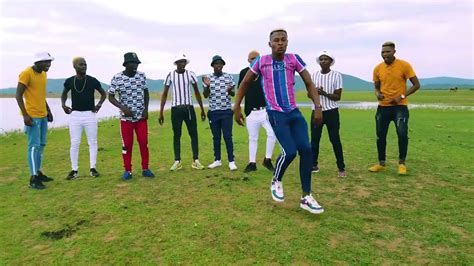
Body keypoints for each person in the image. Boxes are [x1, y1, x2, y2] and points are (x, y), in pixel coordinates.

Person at [234, 29, 325, 214]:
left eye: (284, 40)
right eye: (276, 40)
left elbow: (309, 83)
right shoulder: (261, 61)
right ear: (270, 44)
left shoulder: (294, 59)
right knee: (290, 152)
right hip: (276, 114)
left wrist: (317, 107)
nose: (280, 43)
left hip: (294, 112)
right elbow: (244, 83)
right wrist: (236, 106)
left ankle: (306, 196)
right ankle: (276, 180)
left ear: (287, 42)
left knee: (307, 150)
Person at [369, 41, 420, 175]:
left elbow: (416, 85)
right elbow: (376, 86)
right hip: (383, 107)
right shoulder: (377, 68)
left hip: (400, 107)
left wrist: (401, 96)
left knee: (402, 134)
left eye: (387, 51)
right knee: (380, 136)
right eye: (383, 52)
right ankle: (381, 163)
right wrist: (378, 94)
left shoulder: (404, 65)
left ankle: (402, 164)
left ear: (394, 52)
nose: (385, 54)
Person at [108, 52, 155, 180]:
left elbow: (146, 93)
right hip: (126, 119)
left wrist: (146, 109)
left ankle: (145, 168)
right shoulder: (117, 78)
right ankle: (127, 170)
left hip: (141, 118)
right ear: (126, 64)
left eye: (137, 63)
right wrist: (123, 108)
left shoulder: (141, 76)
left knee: (143, 143)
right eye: (132, 63)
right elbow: (110, 97)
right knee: (127, 145)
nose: (135, 65)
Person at [159, 53, 206, 171]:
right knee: (177, 135)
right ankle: (177, 161)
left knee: (193, 134)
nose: (182, 64)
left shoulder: (191, 74)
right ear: (176, 63)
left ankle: (195, 160)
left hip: (188, 108)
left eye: (184, 61)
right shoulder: (170, 75)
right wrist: (161, 112)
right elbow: (164, 94)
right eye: (180, 62)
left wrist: (201, 109)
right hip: (176, 109)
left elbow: (196, 92)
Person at [61, 57, 106, 180]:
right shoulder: (70, 81)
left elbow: (103, 94)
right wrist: (63, 105)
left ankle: (93, 168)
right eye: (81, 65)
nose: (84, 66)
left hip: (89, 115)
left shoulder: (92, 80)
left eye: (85, 64)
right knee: (74, 143)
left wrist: (98, 105)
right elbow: (64, 94)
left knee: (92, 142)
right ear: (74, 66)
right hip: (75, 116)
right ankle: (74, 170)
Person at [15, 52, 55, 189]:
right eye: (46, 62)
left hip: (43, 115)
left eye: (50, 62)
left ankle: (38, 172)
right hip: (32, 116)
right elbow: (18, 95)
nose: (49, 65)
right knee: (33, 147)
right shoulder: (26, 73)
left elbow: (40, 95)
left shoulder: (43, 74)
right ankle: (33, 178)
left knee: (41, 145)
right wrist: (25, 115)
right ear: (38, 62)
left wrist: (48, 110)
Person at [238, 50, 276, 173]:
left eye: (256, 58)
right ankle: (252, 163)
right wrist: (237, 108)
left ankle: (267, 159)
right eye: (251, 58)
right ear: (248, 60)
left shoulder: (265, 72)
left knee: (272, 133)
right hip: (251, 112)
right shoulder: (244, 72)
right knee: (252, 138)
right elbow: (241, 90)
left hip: (265, 111)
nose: (254, 60)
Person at [310, 50, 346, 178]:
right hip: (316, 111)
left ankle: (341, 167)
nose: (323, 61)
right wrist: (315, 92)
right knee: (314, 140)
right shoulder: (313, 75)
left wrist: (323, 93)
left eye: (326, 59)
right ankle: (313, 165)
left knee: (335, 139)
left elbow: (337, 96)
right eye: (321, 59)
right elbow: (309, 94)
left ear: (331, 62)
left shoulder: (336, 75)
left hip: (331, 112)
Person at [203, 55, 237, 171]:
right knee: (216, 137)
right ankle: (217, 160)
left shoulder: (228, 77)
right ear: (212, 65)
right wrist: (207, 86)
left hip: (226, 111)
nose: (218, 65)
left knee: (228, 137)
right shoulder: (208, 78)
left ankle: (231, 161)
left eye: (220, 63)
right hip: (213, 112)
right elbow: (205, 95)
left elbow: (233, 94)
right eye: (216, 63)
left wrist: (229, 90)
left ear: (223, 65)